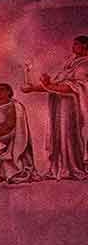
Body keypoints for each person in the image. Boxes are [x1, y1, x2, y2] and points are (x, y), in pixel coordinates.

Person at [22, 35, 88, 180]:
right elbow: (55, 85)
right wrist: (33, 88)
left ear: (85, 46)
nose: (73, 47)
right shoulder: (71, 62)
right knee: (57, 135)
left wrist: (48, 85)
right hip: (59, 106)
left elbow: (73, 87)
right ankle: (57, 169)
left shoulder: (84, 65)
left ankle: (72, 169)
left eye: (76, 44)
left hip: (71, 108)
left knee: (69, 136)